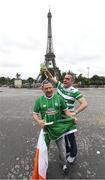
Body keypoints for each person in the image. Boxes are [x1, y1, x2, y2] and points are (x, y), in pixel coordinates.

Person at [42, 67, 88, 164]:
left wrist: (74, 113)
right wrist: (46, 71)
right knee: (63, 136)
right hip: (59, 118)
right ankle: (67, 151)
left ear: (72, 81)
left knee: (71, 138)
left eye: (67, 79)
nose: (65, 80)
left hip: (68, 118)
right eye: (64, 78)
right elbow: (51, 78)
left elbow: (84, 103)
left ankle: (73, 154)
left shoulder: (74, 91)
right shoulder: (60, 86)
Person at [32, 80, 77, 174]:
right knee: (45, 149)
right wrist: (39, 121)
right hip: (46, 129)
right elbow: (34, 114)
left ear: (53, 87)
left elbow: (66, 111)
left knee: (62, 149)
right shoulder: (39, 101)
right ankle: (44, 166)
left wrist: (72, 117)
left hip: (58, 128)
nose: (48, 90)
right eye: (46, 88)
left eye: (50, 88)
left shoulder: (59, 98)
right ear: (42, 89)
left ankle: (64, 164)